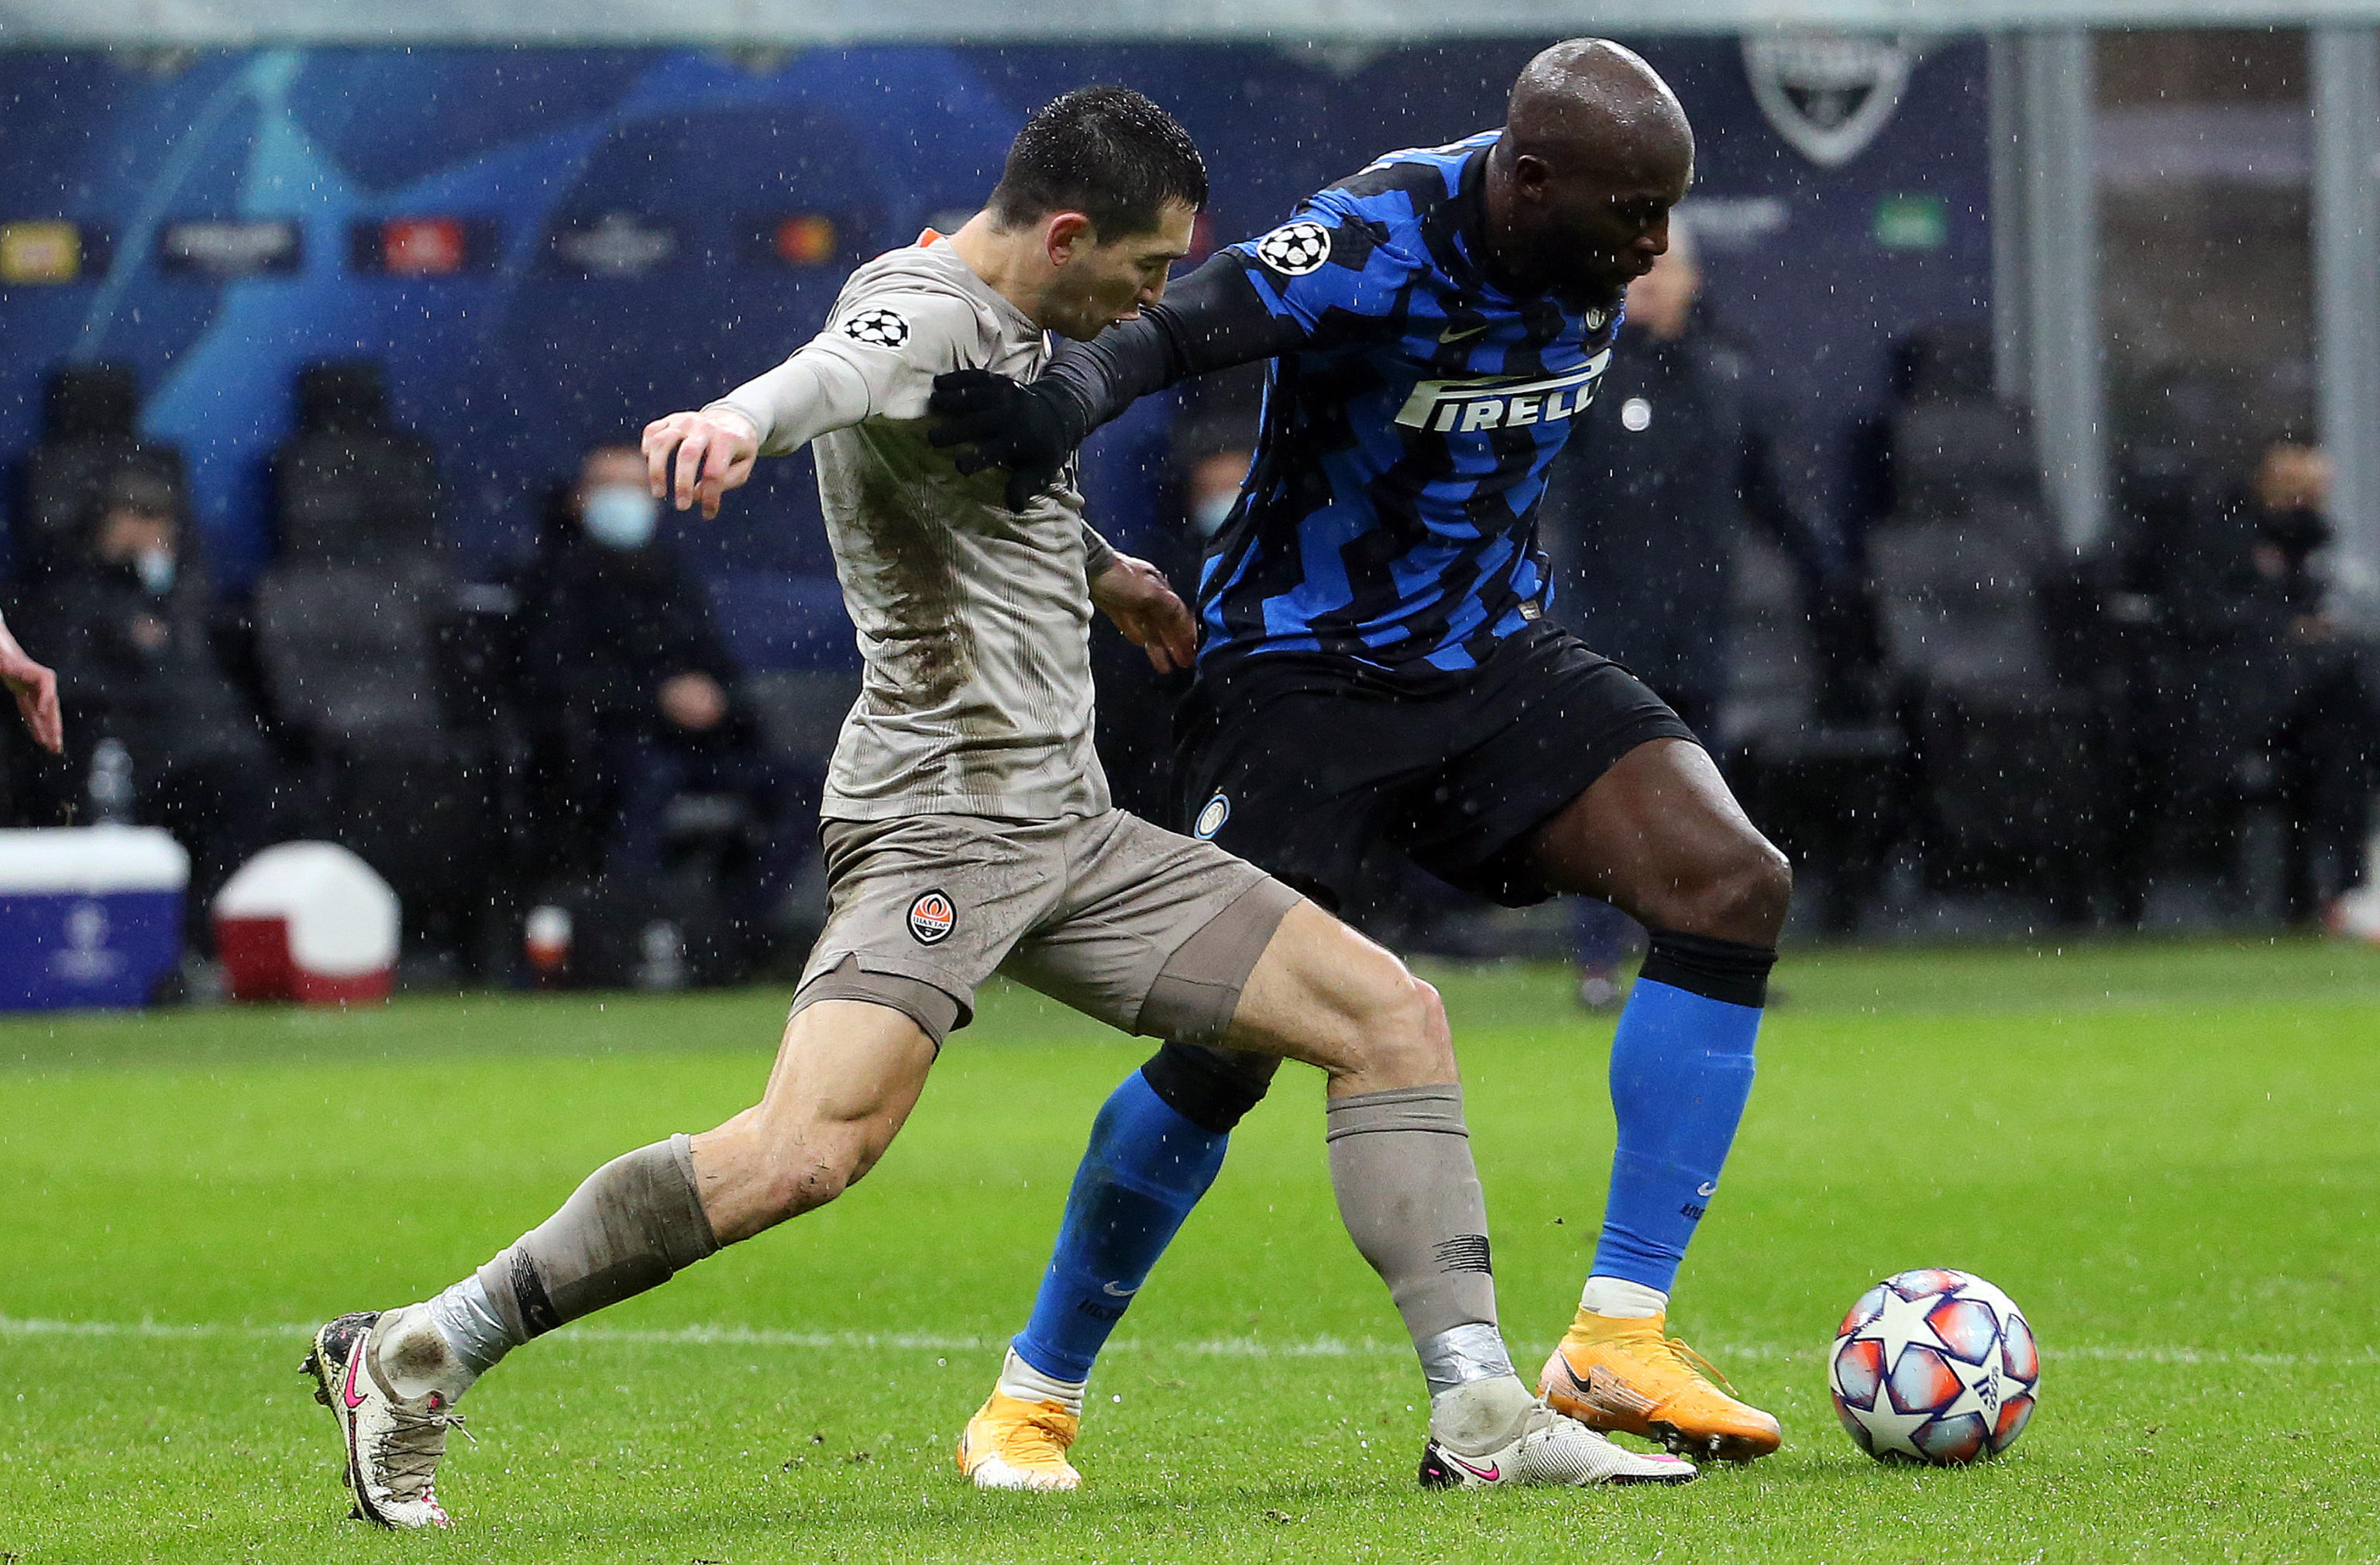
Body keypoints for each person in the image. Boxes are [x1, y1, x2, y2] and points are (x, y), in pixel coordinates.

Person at [300, 85, 1690, 1532]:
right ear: (1070, 234)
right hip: (940, 826)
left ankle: (1477, 1414)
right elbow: (839, 373)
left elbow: (962, 462)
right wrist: (729, 420)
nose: (1157, 303)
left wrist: (1106, 571)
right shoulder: (923, 303)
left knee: (1389, 1019)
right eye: (1148, 272)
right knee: (803, 1153)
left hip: (1074, 831)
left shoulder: (1028, 329)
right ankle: (417, 1351)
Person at [926, 40, 1790, 1485]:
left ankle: (1617, 1337)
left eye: (1666, 215)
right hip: (1296, 682)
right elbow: (1187, 320)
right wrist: (1067, 400)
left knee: (1729, 882)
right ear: (1527, 178)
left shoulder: (1583, 250)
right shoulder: (1387, 229)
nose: (1650, 249)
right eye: (1631, 213)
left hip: (1488, 660)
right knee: (1228, 1053)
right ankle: (1032, 1396)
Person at [1537, 220, 1842, 1007]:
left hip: (1698, 630)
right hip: (1605, 631)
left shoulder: (1725, 377)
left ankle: (1709, 964)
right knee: (1605, 800)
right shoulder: (1581, 380)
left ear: (1692, 280)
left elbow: (1779, 502)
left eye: (1662, 265)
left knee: (1705, 800)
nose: (1647, 279)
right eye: (1633, 265)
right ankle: (1599, 963)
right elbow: (1551, 505)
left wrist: (1835, 582)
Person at [513, 439, 796, 936]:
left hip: (697, 748)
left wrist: (717, 700)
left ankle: (734, 934)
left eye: (637, 488)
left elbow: (718, 666)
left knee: (800, 788)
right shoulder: (549, 580)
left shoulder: (671, 575)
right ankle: (624, 938)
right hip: (604, 753)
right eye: (609, 488)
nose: (624, 502)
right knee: (645, 786)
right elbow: (553, 682)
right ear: (579, 498)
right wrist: (656, 700)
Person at [28, 466, 277, 931]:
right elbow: (67, 676)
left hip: (205, 738)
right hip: (129, 740)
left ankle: (206, 932)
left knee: (244, 779)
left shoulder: (175, 591)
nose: (160, 538)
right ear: (117, 521)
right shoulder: (70, 590)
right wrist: (133, 652)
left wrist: (162, 606)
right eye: (146, 520)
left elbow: (200, 661)